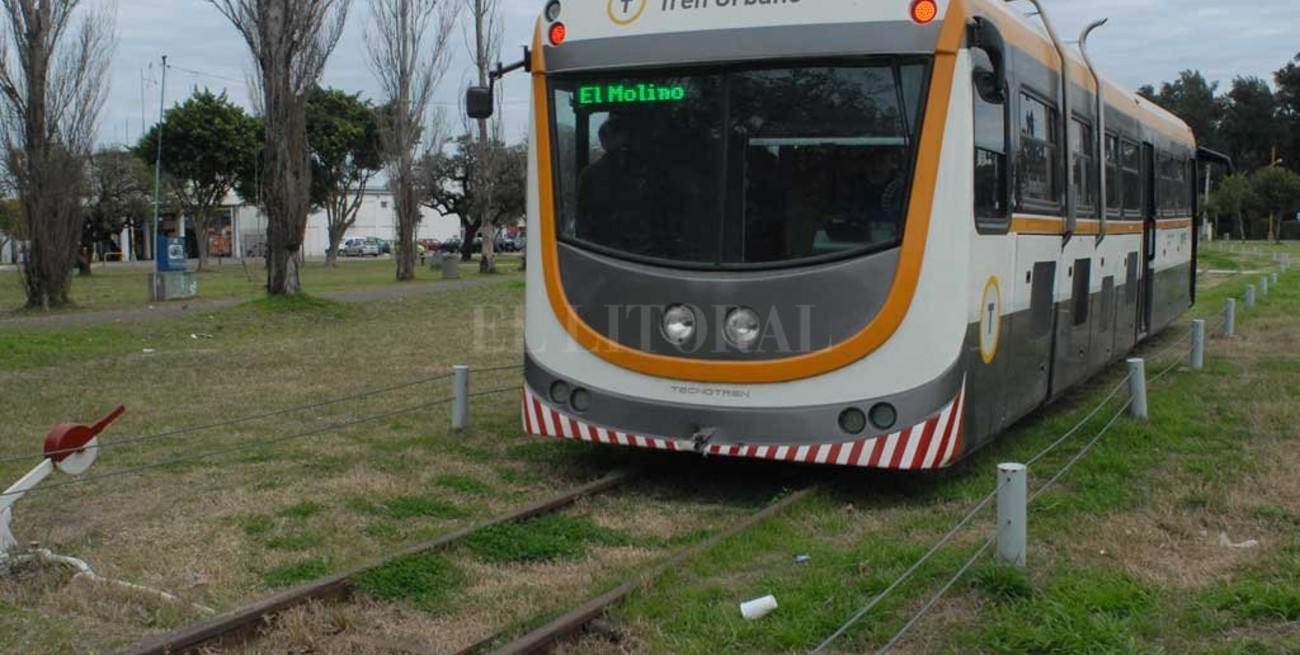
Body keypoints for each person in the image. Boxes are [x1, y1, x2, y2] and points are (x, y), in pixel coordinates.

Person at [576, 115, 671, 256]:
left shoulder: (649, 173)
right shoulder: (647, 172)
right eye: (619, 148)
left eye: (625, 147)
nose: (622, 155)